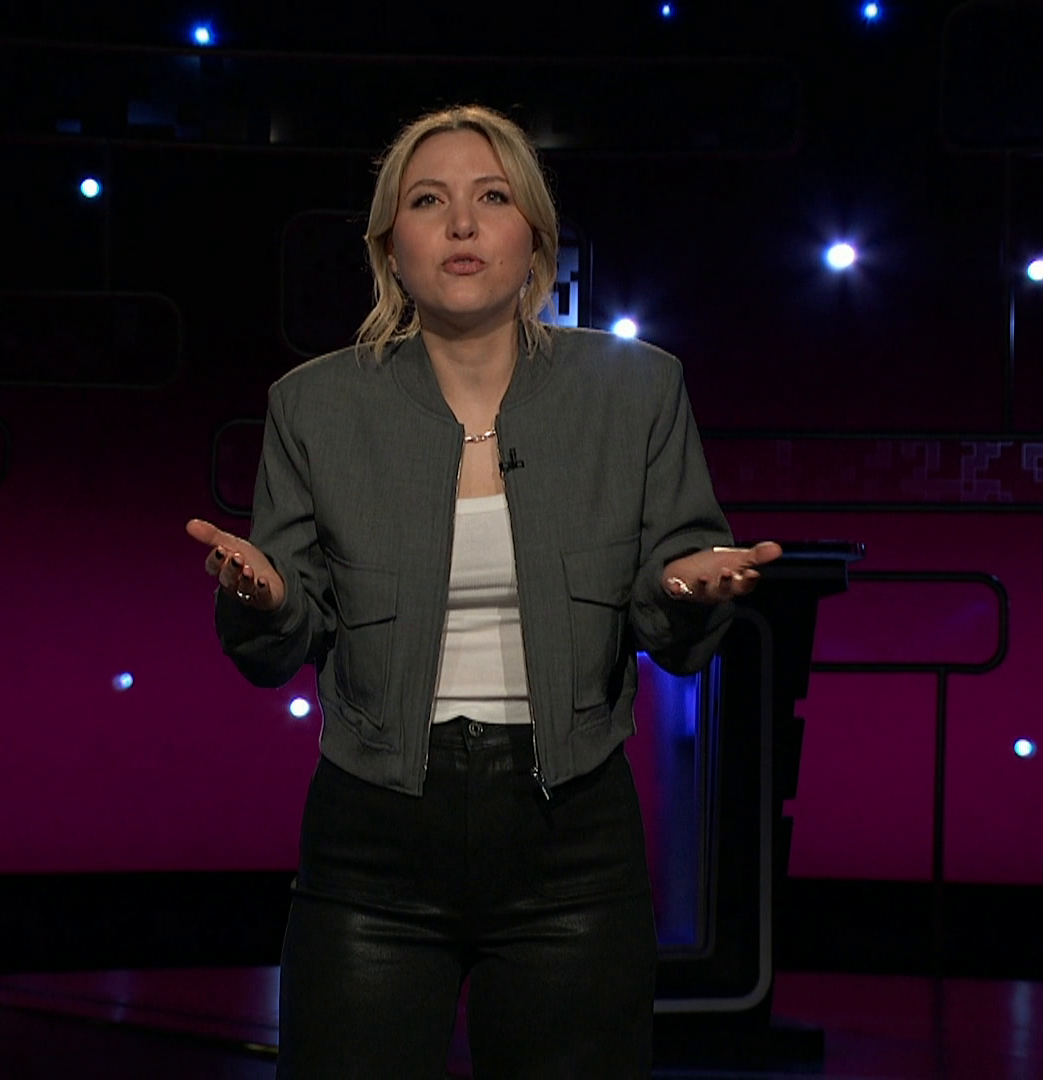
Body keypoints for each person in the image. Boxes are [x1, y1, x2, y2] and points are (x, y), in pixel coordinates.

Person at [185, 103, 781, 1079]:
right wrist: (267, 598)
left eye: (492, 197)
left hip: (574, 842)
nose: (462, 224)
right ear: (391, 246)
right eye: (429, 201)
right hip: (371, 841)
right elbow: (289, 630)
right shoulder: (315, 405)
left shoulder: (637, 390)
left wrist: (684, 585)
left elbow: (669, 598)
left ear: (535, 238)